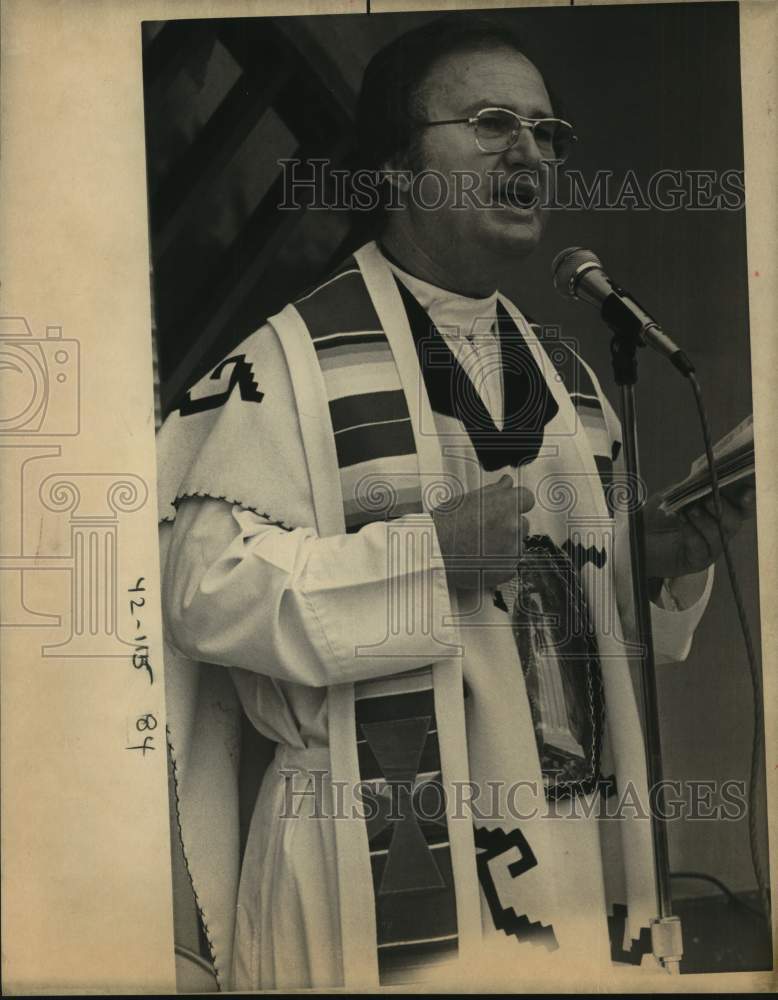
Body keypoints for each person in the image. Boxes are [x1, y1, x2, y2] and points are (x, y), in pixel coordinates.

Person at [155, 15, 756, 992]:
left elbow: (577, 639)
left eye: (546, 131)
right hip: (368, 861)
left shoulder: (571, 381)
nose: (529, 150)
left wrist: (654, 565)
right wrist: (425, 560)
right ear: (394, 165)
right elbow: (200, 592)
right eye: (488, 123)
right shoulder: (293, 360)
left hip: (558, 854)